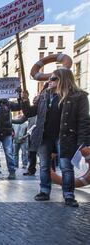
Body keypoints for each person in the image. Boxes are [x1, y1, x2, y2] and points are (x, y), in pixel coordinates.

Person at [21, 69, 90, 207]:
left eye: (53, 79)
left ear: (63, 79)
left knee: (66, 167)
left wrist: (83, 142)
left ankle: (69, 195)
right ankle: (44, 191)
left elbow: (84, 120)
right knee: (44, 166)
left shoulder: (79, 96)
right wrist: (24, 100)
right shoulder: (45, 94)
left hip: (66, 136)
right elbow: (30, 112)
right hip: (44, 136)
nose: (49, 81)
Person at [0, 98, 21, 179]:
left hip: (6, 132)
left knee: (8, 152)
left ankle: (12, 171)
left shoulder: (8, 103)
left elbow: (19, 106)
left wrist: (19, 97)